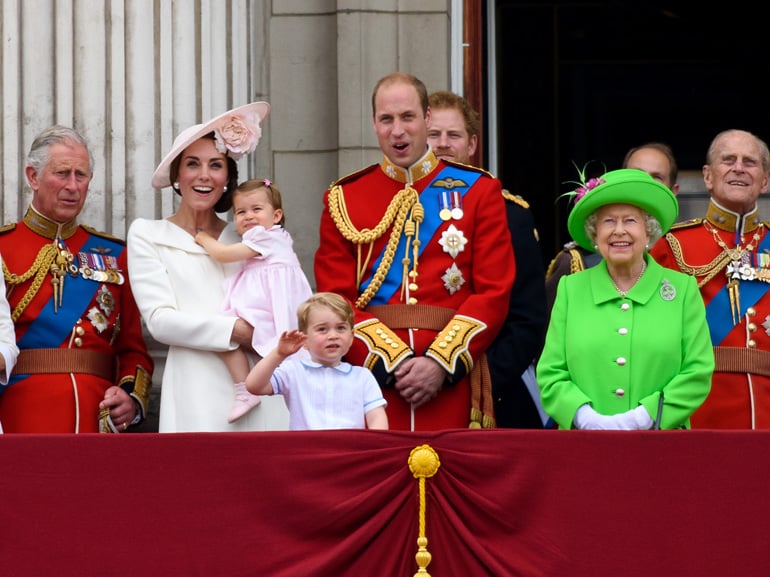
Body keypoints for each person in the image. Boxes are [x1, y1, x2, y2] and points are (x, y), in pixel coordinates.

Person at [314, 72, 515, 431]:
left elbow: (494, 292)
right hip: (371, 381)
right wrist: (390, 362)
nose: (397, 130)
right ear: (374, 124)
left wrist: (440, 362)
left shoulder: (479, 191)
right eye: (386, 119)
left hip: (452, 379)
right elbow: (335, 299)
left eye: (407, 117)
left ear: (427, 119)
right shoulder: (344, 197)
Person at [127, 101, 290, 432]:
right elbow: (160, 322)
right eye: (192, 164)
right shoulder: (149, 233)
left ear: (228, 177)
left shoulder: (248, 236)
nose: (204, 176)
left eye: (215, 165)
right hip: (194, 386)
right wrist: (235, 332)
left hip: (263, 383)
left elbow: (285, 291)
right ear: (177, 175)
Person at [0, 125, 154, 433]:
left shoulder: (115, 253)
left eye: (80, 175)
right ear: (33, 177)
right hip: (20, 413)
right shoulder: (4, 247)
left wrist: (130, 398)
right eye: (62, 173)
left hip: (97, 418)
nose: (73, 186)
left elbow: (134, 348)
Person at [536, 168, 714, 429]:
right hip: (584, 448)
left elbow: (697, 372)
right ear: (595, 235)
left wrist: (645, 417)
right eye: (608, 222)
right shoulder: (570, 289)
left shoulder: (682, 290)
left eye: (630, 221)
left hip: (662, 447)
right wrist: (585, 418)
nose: (619, 231)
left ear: (649, 231)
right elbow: (551, 373)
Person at [427, 90, 547, 428]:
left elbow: (527, 320)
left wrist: (475, 381)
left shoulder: (511, 215)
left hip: (490, 394)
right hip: (409, 389)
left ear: (472, 144)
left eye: (454, 135)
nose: (443, 144)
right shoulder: (394, 213)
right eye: (434, 135)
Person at [650, 129, 770, 429]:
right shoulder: (671, 246)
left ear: (765, 180)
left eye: (750, 162)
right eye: (728, 159)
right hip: (700, 409)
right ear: (707, 176)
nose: (739, 168)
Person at [194, 177, 313, 423]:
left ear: (276, 215)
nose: (248, 216)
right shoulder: (278, 238)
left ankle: (244, 389)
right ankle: (245, 389)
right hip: (270, 302)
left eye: (256, 209)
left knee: (223, 331)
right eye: (240, 212)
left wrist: (204, 238)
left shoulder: (264, 236)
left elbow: (223, 254)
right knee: (225, 333)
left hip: (269, 307)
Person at [545, 142, 680, 314]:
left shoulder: (683, 254)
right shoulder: (577, 263)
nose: (643, 182)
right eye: (635, 174)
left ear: (673, 191)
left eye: (656, 177)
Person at [246, 292, 389, 430]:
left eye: (340, 328)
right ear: (305, 339)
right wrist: (278, 354)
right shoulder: (293, 371)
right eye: (322, 329)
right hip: (306, 451)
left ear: (351, 336)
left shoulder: (363, 377)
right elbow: (254, 385)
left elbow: (376, 417)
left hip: (350, 451)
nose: (333, 335)